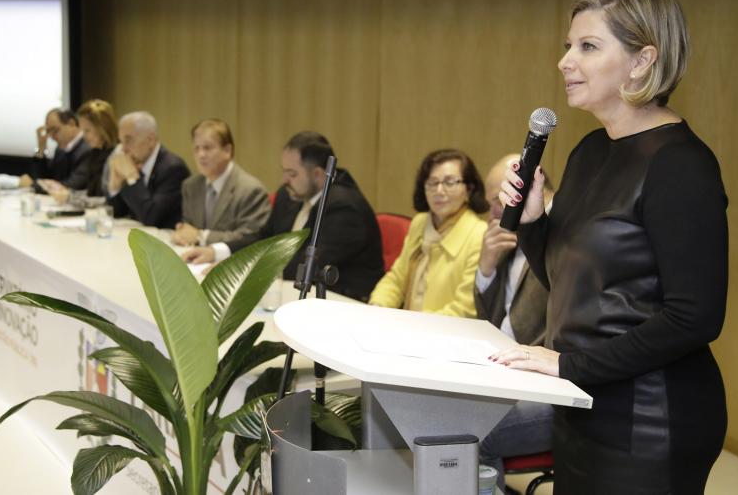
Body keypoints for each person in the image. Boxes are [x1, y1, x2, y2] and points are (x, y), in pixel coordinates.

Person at [492, 0, 728, 494]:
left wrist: (569, 363)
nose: (565, 61)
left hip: (649, 419)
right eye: (567, 46)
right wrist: (532, 220)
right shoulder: (590, 151)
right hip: (582, 400)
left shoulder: (681, 166)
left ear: (643, 60)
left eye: (588, 46)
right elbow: (561, 277)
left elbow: (695, 317)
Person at [182, 131, 384, 302]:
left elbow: (305, 266)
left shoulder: (345, 208)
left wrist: (238, 269)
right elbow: (264, 239)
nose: (284, 180)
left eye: (292, 174)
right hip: (289, 295)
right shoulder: (289, 195)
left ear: (318, 175)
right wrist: (217, 251)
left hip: (341, 305)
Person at [474, 154, 555, 492]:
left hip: (548, 383)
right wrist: (486, 268)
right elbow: (491, 319)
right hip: (503, 368)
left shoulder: (560, 237)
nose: (493, 212)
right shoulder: (509, 233)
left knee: (469, 434)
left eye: (498, 200)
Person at [369, 149, 487, 317]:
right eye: (432, 182)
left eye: (450, 182)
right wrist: (377, 306)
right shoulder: (420, 223)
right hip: (408, 327)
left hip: (445, 334)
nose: (439, 191)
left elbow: (464, 309)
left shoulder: (479, 235)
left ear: (469, 190)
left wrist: (412, 326)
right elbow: (396, 279)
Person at [171, 119, 271, 253]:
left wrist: (202, 236)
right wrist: (183, 232)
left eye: (207, 148)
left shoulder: (251, 190)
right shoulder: (190, 186)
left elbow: (249, 238)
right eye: (196, 148)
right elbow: (189, 228)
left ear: (227, 151)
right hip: (195, 262)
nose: (201, 155)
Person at [107, 111, 190, 229]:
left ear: (151, 140)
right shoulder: (137, 161)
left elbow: (151, 217)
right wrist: (114, 186)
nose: (123, 149)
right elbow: (118, 212)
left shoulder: (173, 169)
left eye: (128, 140)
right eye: (121, 142)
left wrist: (131, 178)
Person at [40, 100, 118, 202]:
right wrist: (68, 195)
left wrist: (69, 197)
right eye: (82, 130)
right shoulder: (96, 152)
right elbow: (91, 193)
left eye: (87, 131)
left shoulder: (116, 154)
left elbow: (109, 200)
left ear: (103, 128)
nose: (83, 136)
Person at [21, 108, 91, 191]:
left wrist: (33, 185)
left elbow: (71, 185)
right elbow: (45, 178)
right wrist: (41, 149)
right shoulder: (60, 150)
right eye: (48, 132)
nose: (51, 137)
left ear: (71, 123)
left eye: (54, 130)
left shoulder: (88, 149)